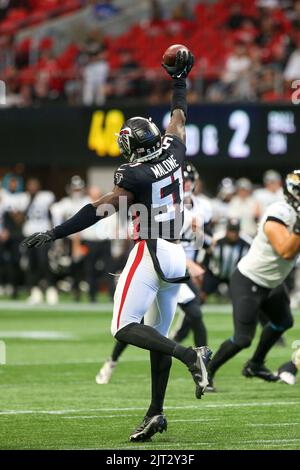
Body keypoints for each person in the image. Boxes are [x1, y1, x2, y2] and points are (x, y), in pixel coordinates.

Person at [22, 50, 212, 442]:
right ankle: (157, 412)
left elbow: (99, 210)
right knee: (155, 338)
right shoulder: (175, 150)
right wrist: (180, 80)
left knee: (123, 326)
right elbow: (179, 116)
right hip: (177, 255)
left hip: (152, 249)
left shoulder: (134, 174)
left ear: (133, 147)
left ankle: (191, 355)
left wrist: (57, 233)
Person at [96, 162, 209, 385]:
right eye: (182, 180)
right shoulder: (161, 202)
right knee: (135, 321)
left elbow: (197, 243)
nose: (185, 185)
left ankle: (205, 370)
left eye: (188, 181)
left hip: (175, 268)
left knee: (194, 314)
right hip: (157, 262)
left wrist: (204, 247)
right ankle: (113, 360)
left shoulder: (199, 209)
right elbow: (150, 237)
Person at [207, 170, 300, 392]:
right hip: (249, 280)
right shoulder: (279, 212)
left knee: (283, 322)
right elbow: (286, 251)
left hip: (272, 283)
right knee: (243, 338)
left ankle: (255, 364)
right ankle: (207, 370)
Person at [173, 218, 251, 343]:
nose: (233, 234)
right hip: (214, 274)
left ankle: (255, 331)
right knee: (196, 301)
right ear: (226, 230)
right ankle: (180, 334)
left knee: (247, 301)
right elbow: (203, 254)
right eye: (231, 231)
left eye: (235, 232)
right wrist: (200, 274)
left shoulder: (247, 242)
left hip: (235, 275)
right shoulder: (217, 239)